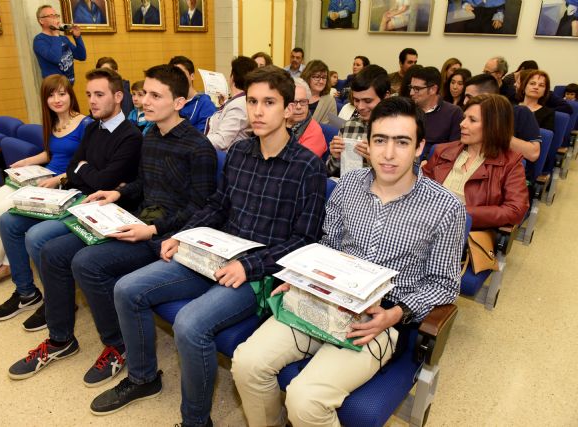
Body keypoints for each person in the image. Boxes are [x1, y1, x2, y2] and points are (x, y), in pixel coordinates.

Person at [89, 66, 327, 425]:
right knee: (127, 289)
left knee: (190, 324)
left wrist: (247, 266)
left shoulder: (307, 167)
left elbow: (304, 241)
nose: (258, 111)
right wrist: (180, 236)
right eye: (252, 102)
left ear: (289, 109)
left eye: (269, 103)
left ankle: (196, 421)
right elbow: (217, 206)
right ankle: (143, 378)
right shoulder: (240, 152)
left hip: (259, 274)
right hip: (216, 253)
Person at [231, 96, 467, 427]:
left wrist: (395, 314)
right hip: (324, 298)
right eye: (380, 140)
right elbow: (327, 244)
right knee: (247, 363)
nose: (388, 153)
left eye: (402, 142)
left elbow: (444, 284)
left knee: (306, 400)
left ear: (419, 147)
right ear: (368, 143)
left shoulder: (445, 208)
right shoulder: (349, 186)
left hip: (379, 318)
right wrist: (300, 279)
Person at [7, 64, 217, 386]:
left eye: (155, 95)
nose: (144, 101)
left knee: (86, 263)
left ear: (178, 103)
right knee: (53, 253)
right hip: (138, 219)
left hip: (165, 235)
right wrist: (117, 193)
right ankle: (61, 339)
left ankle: (118, 346)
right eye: (145, 94)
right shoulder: (152, 135)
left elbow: (200, 208)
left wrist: (152, 230)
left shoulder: (198, 147)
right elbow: (143, 184)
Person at [0, 68, 142, 331]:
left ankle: (56, 303)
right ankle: (26, 292)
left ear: (118, 97)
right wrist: (84, 170)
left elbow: (103, 181)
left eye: (99, 95)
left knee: (37, 237)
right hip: (74, 193)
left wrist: (84, 169)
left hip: (97, 203)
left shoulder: (131, 135)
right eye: (89, 95)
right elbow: (73, 167)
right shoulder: (93, 127)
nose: (92, 101)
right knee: (8, 222)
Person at [0, 75, 91, 290]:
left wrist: (58, 178)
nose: (57, 100)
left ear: (71, 95)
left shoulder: (85, 123)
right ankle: (7, 261)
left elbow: (86, 162)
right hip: (42, 174)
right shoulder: (53, 121)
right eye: (51, 96)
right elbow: (50, 153)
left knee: (0, 213)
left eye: (62, 94)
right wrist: (26, 162)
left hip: (60, 182)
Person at [423, 94, 529, 229]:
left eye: (472, 120)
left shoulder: (511, 163)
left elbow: (515, 210)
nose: (462, 124)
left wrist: (460, 212)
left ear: (494, 126)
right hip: (425, 223)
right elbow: (419, 188)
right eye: (464, 118)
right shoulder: (443, 151)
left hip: (469, 231)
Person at [464, 73, 541, 165]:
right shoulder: (466, 115)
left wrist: (497, 131)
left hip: (505, 169)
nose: (465, 102)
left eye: (469, 97)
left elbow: (533, 154)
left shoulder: (519, 113)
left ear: (486, 96)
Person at [327, 65, 389, 177]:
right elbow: (329, 173)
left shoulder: (400, 132)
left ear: (386, 97)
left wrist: (375, 163)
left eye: (368, 101)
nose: (360, 107)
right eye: (356, 100)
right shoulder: (349, 126)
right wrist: (336, 158)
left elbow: (409, 180)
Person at [408, 66, 463, 158]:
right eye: (411, 87)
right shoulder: (408, 110)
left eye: (417, 89)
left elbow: (454, 150)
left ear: (433, 89)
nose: (411, 93)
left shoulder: (453, 113)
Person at [205, 56, 257, 151]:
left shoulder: (239, 106)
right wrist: (225, 102)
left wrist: (196, 140)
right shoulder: (240, 101)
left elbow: (222, 140)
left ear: (232, 78)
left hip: (224, 156)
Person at [33, 5, 86, 85]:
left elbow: (81, 56)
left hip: (68, 85)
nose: (55, 18)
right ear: (41, 21)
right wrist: (55, 34)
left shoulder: (63, 38)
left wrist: (77, 37)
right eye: (51, 16)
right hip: (54, 87)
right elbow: (55, 58)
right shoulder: (39, 40)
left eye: (56, 16)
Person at [168, 55, 217, 133]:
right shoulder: (169, 101)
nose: (177, 78)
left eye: (181, 74)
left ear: (192, 76)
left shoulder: (205, 104)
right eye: (174, 75)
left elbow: (202, 136)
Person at [287, 78, 327, 158]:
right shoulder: (277, 122)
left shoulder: (314, 132)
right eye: (294, 102)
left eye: (303, 102)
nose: (299, 107)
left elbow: (298, 163)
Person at [300, 59, 337, 125]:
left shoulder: (330, 101)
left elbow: (330, 128)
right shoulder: (297, 96)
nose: (321, 81)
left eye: (324, 77)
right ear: (307, 77)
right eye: (317, 77)